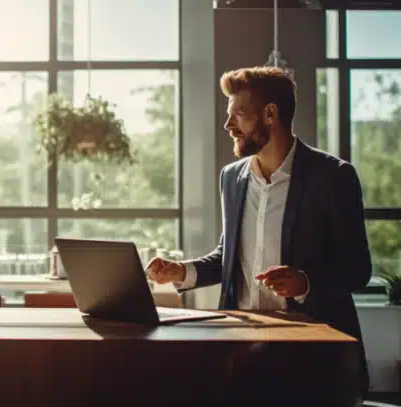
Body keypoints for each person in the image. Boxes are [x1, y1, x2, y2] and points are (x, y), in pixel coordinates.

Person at [146, 66, 372, 397]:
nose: (228, 125)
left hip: (310, 352)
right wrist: (182, 271)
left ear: (269, 114)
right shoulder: (231, 178)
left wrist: (306, 282)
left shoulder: (333, 176)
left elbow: (358, 270)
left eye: (238, 114)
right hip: (241, 344)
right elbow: (229, 255)